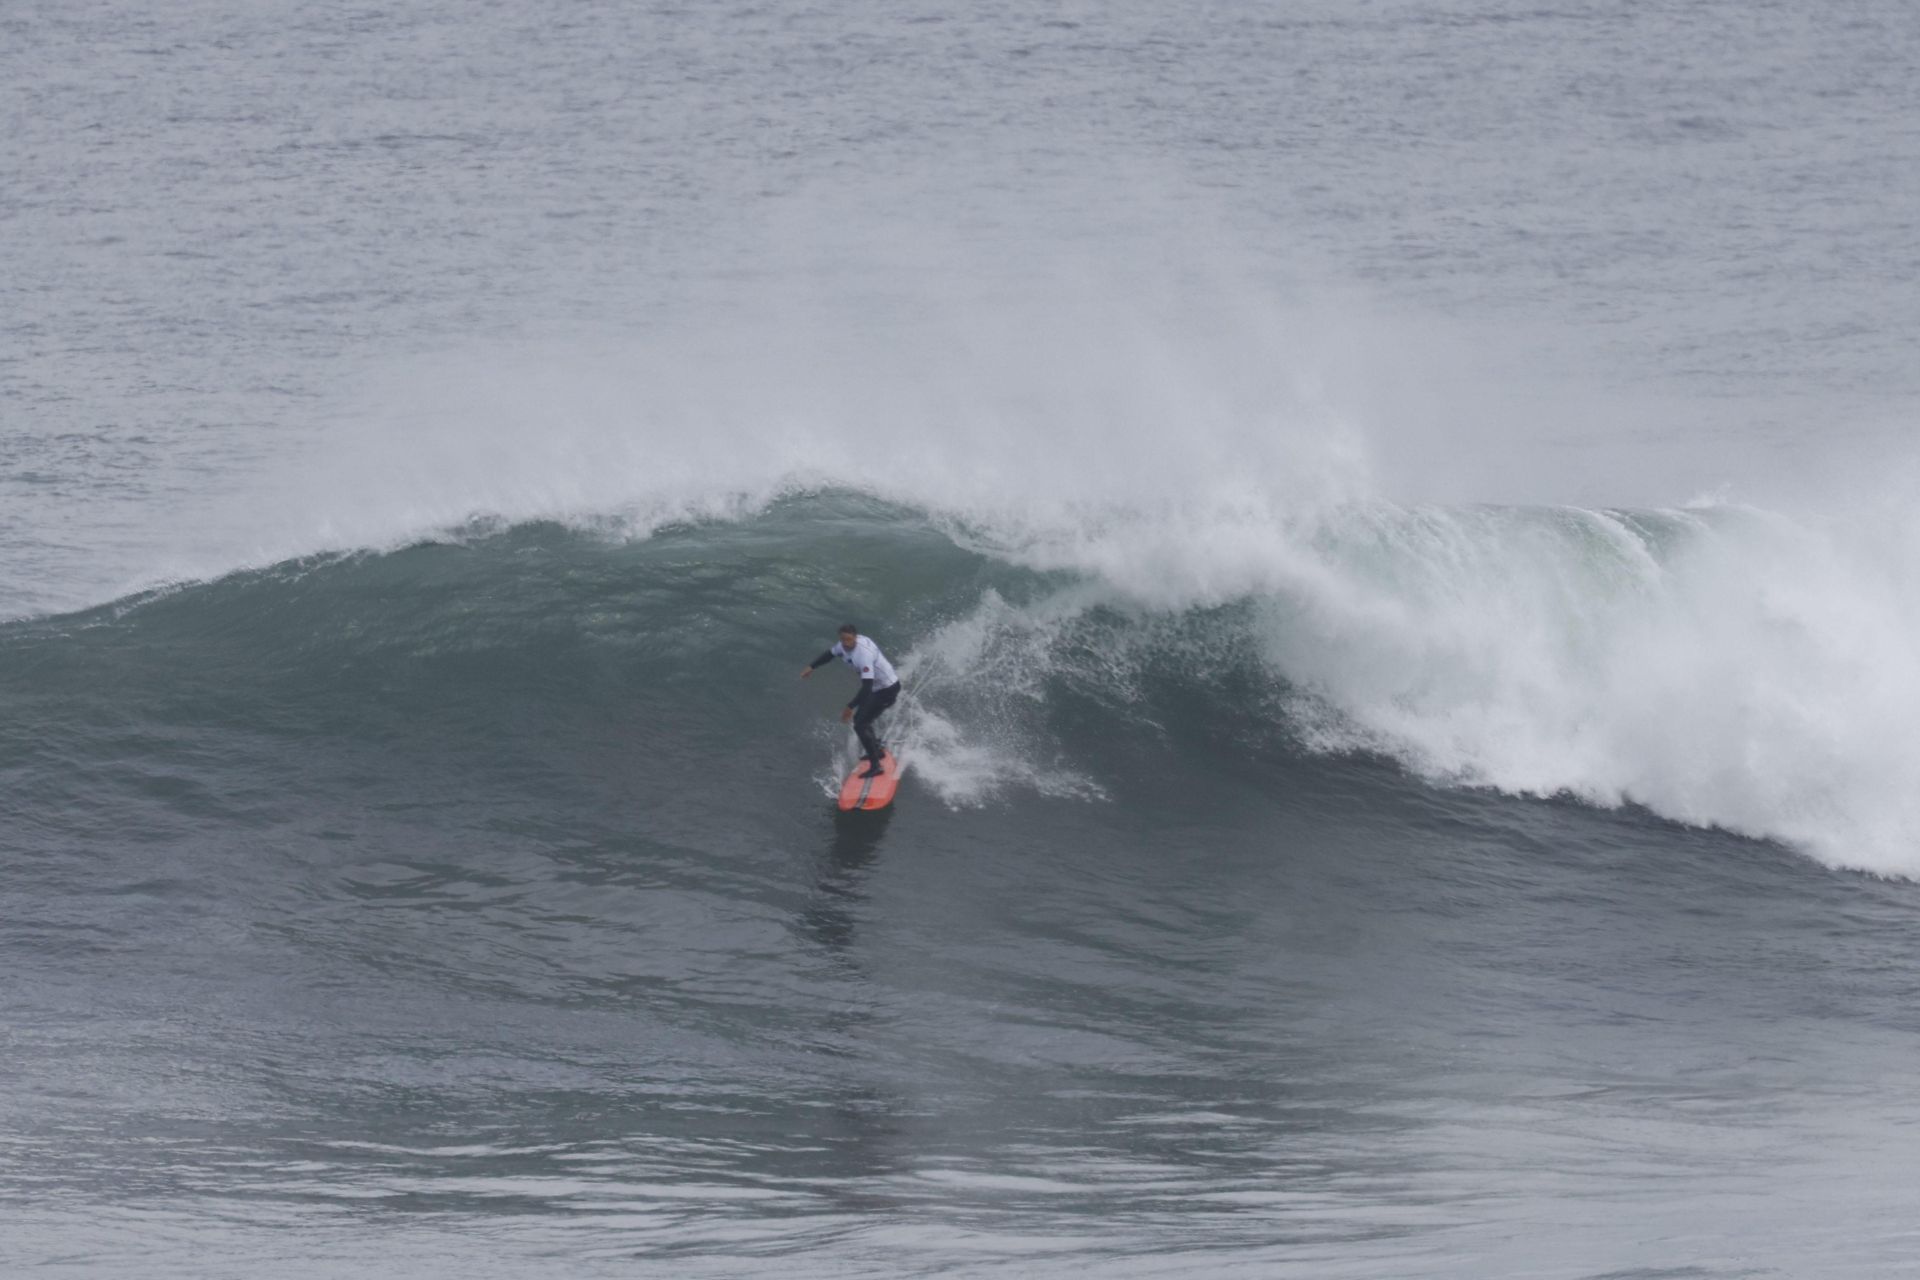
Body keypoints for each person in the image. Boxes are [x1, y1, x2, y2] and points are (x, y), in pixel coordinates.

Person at [800, 623, 902, 778]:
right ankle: (877, 751)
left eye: (849, 640)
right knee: (861, 720)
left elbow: (866, 688)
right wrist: (812, 666)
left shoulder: (863, 655)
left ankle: (876, 766)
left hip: (887, 689)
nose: (846, 644)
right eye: (843, 640)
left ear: (855, 637)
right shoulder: (843, 645)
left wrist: (850, 706)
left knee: (860, 724)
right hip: (877, 689)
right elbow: (830, 654)